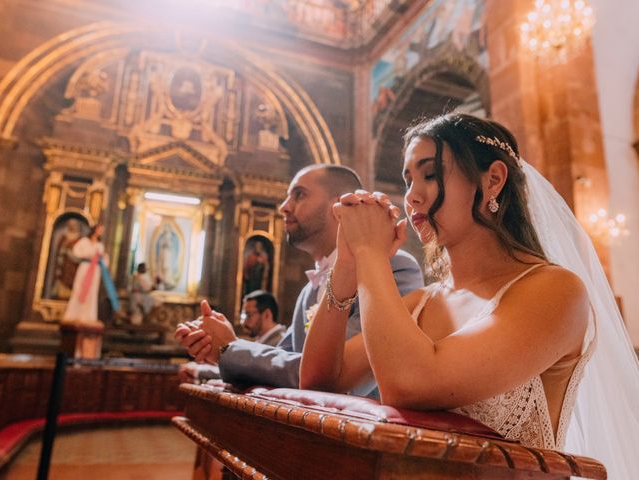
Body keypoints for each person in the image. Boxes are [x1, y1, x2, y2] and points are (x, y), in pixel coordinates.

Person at [299, 113, 639, 477]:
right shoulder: (420, 304)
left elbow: (409, 385)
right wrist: (347, 266)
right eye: (408, 179)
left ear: (493, 180)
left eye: (429, 175)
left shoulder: (556, 291)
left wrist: (370, 254)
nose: (412, 196)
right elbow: (320, 381)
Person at [175, 164, 424, 394]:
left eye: (299, 195)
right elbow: (281, 358)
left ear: (338, 207)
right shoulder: (308, 290)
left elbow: (329, 375)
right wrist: (221, 347)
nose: (284, 206)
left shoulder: (392, 267)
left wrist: (230, 349)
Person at [178, 290, 284, 384]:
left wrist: (198, 370)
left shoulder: (281, 342)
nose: (243, 322)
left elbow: (249, 374)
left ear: (267, 314)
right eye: (242, 316)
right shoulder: (261, 340)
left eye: (248, 315)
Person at [63, 224, 119, 324]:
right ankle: (75, 315)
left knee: (92, 291)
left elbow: (104, 260)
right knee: (80, 289)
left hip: (95, 270)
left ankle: (88, 316)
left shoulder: (99, 245)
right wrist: (89, 255)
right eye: (100, 229)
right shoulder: (84, 241)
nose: (101, 232)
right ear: (95, 229)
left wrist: (102, 258)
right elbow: (76, 252)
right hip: (85, 267)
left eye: (102, 230)